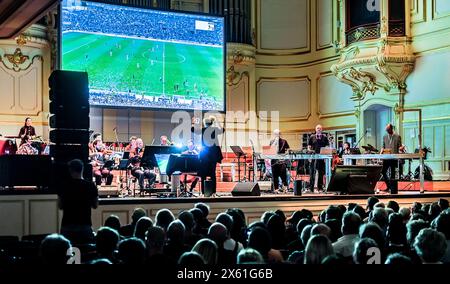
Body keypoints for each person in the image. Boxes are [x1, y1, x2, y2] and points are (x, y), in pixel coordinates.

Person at [58, 159, 98, 245]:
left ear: (70, 170)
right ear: (82, 169)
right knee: (86, 255)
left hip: (67, 225)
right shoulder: (90, 186)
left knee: (68, 254)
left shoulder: (64, 186)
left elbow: (60, 206)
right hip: (85, 225)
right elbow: (95, 205)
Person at [191, 116, 224, 196]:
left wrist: (193, 122)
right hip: (213, 155)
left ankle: (203, 192)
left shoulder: (202, 130)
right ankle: (214, 192)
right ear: (211, 123)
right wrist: (217, 122)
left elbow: (192, 130)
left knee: (203, 175)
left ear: (205, 123)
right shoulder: (215, 130)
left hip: (205, 155)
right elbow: (223, 130)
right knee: (213, 174)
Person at [380, 124, 404, 191]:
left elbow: (400, 146)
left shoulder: (397, 136)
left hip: (394, 158)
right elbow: (383, 146)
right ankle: (389, 186)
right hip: (386, 157)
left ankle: (392, 188)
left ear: (391, 129)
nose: (387, 131)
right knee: (383, 172)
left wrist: (401, 148)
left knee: (393, 174)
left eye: (388, 130)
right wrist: (381, 151)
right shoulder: (384, 136)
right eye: (386, 130)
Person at [307, 124, 329, 192]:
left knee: (321, 173)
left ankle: (320, 188)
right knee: (312, 172)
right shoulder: (312, 136)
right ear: (315, 129)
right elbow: (309, 146)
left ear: (322, 129)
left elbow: (327, 146)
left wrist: (325, 155)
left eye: (320, 128)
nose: (319, 129)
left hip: (321, 157)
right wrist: (309, 151)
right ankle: (311, 188)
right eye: (317, 128)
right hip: (313, 157)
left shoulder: (324, 137)